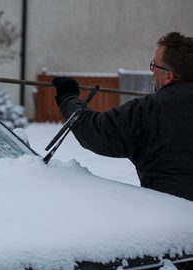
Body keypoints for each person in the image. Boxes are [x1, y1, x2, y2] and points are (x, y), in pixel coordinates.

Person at [51, 32, 193, 201]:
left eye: (155, 65)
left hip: (173, 217)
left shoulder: (147, 111)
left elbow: (95, 131)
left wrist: (67, 98)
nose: (153, 70)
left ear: (169, 76)